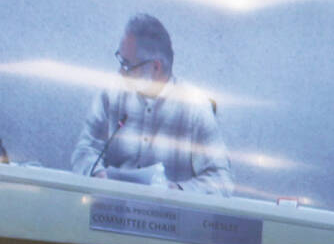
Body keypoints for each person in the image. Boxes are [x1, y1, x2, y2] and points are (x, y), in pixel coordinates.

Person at [70, 12, 234, 196]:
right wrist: (97, 174)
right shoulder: (111, 94)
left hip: (168, 219)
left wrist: (177, 190)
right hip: (108, 213)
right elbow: (85, 150)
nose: (120, 72)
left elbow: (222, 181)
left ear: (156, 67)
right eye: (120, 60)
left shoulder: (195, 107)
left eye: (127, 65)